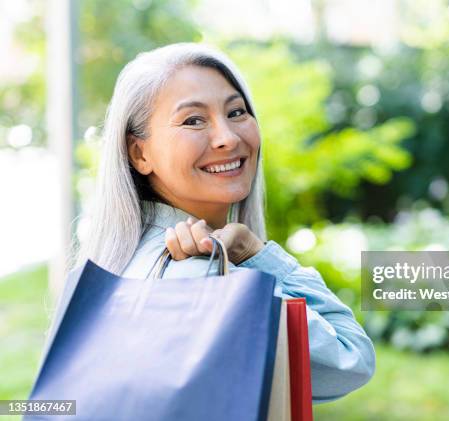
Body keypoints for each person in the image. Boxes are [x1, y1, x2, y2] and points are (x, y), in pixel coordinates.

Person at [74, 42, 375, 403]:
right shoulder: (205, 281)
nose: (228, 138)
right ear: (140, 153)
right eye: (193, 120)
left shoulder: (116, 265)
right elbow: (350, 358)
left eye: (236, 112)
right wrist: (259, 255)